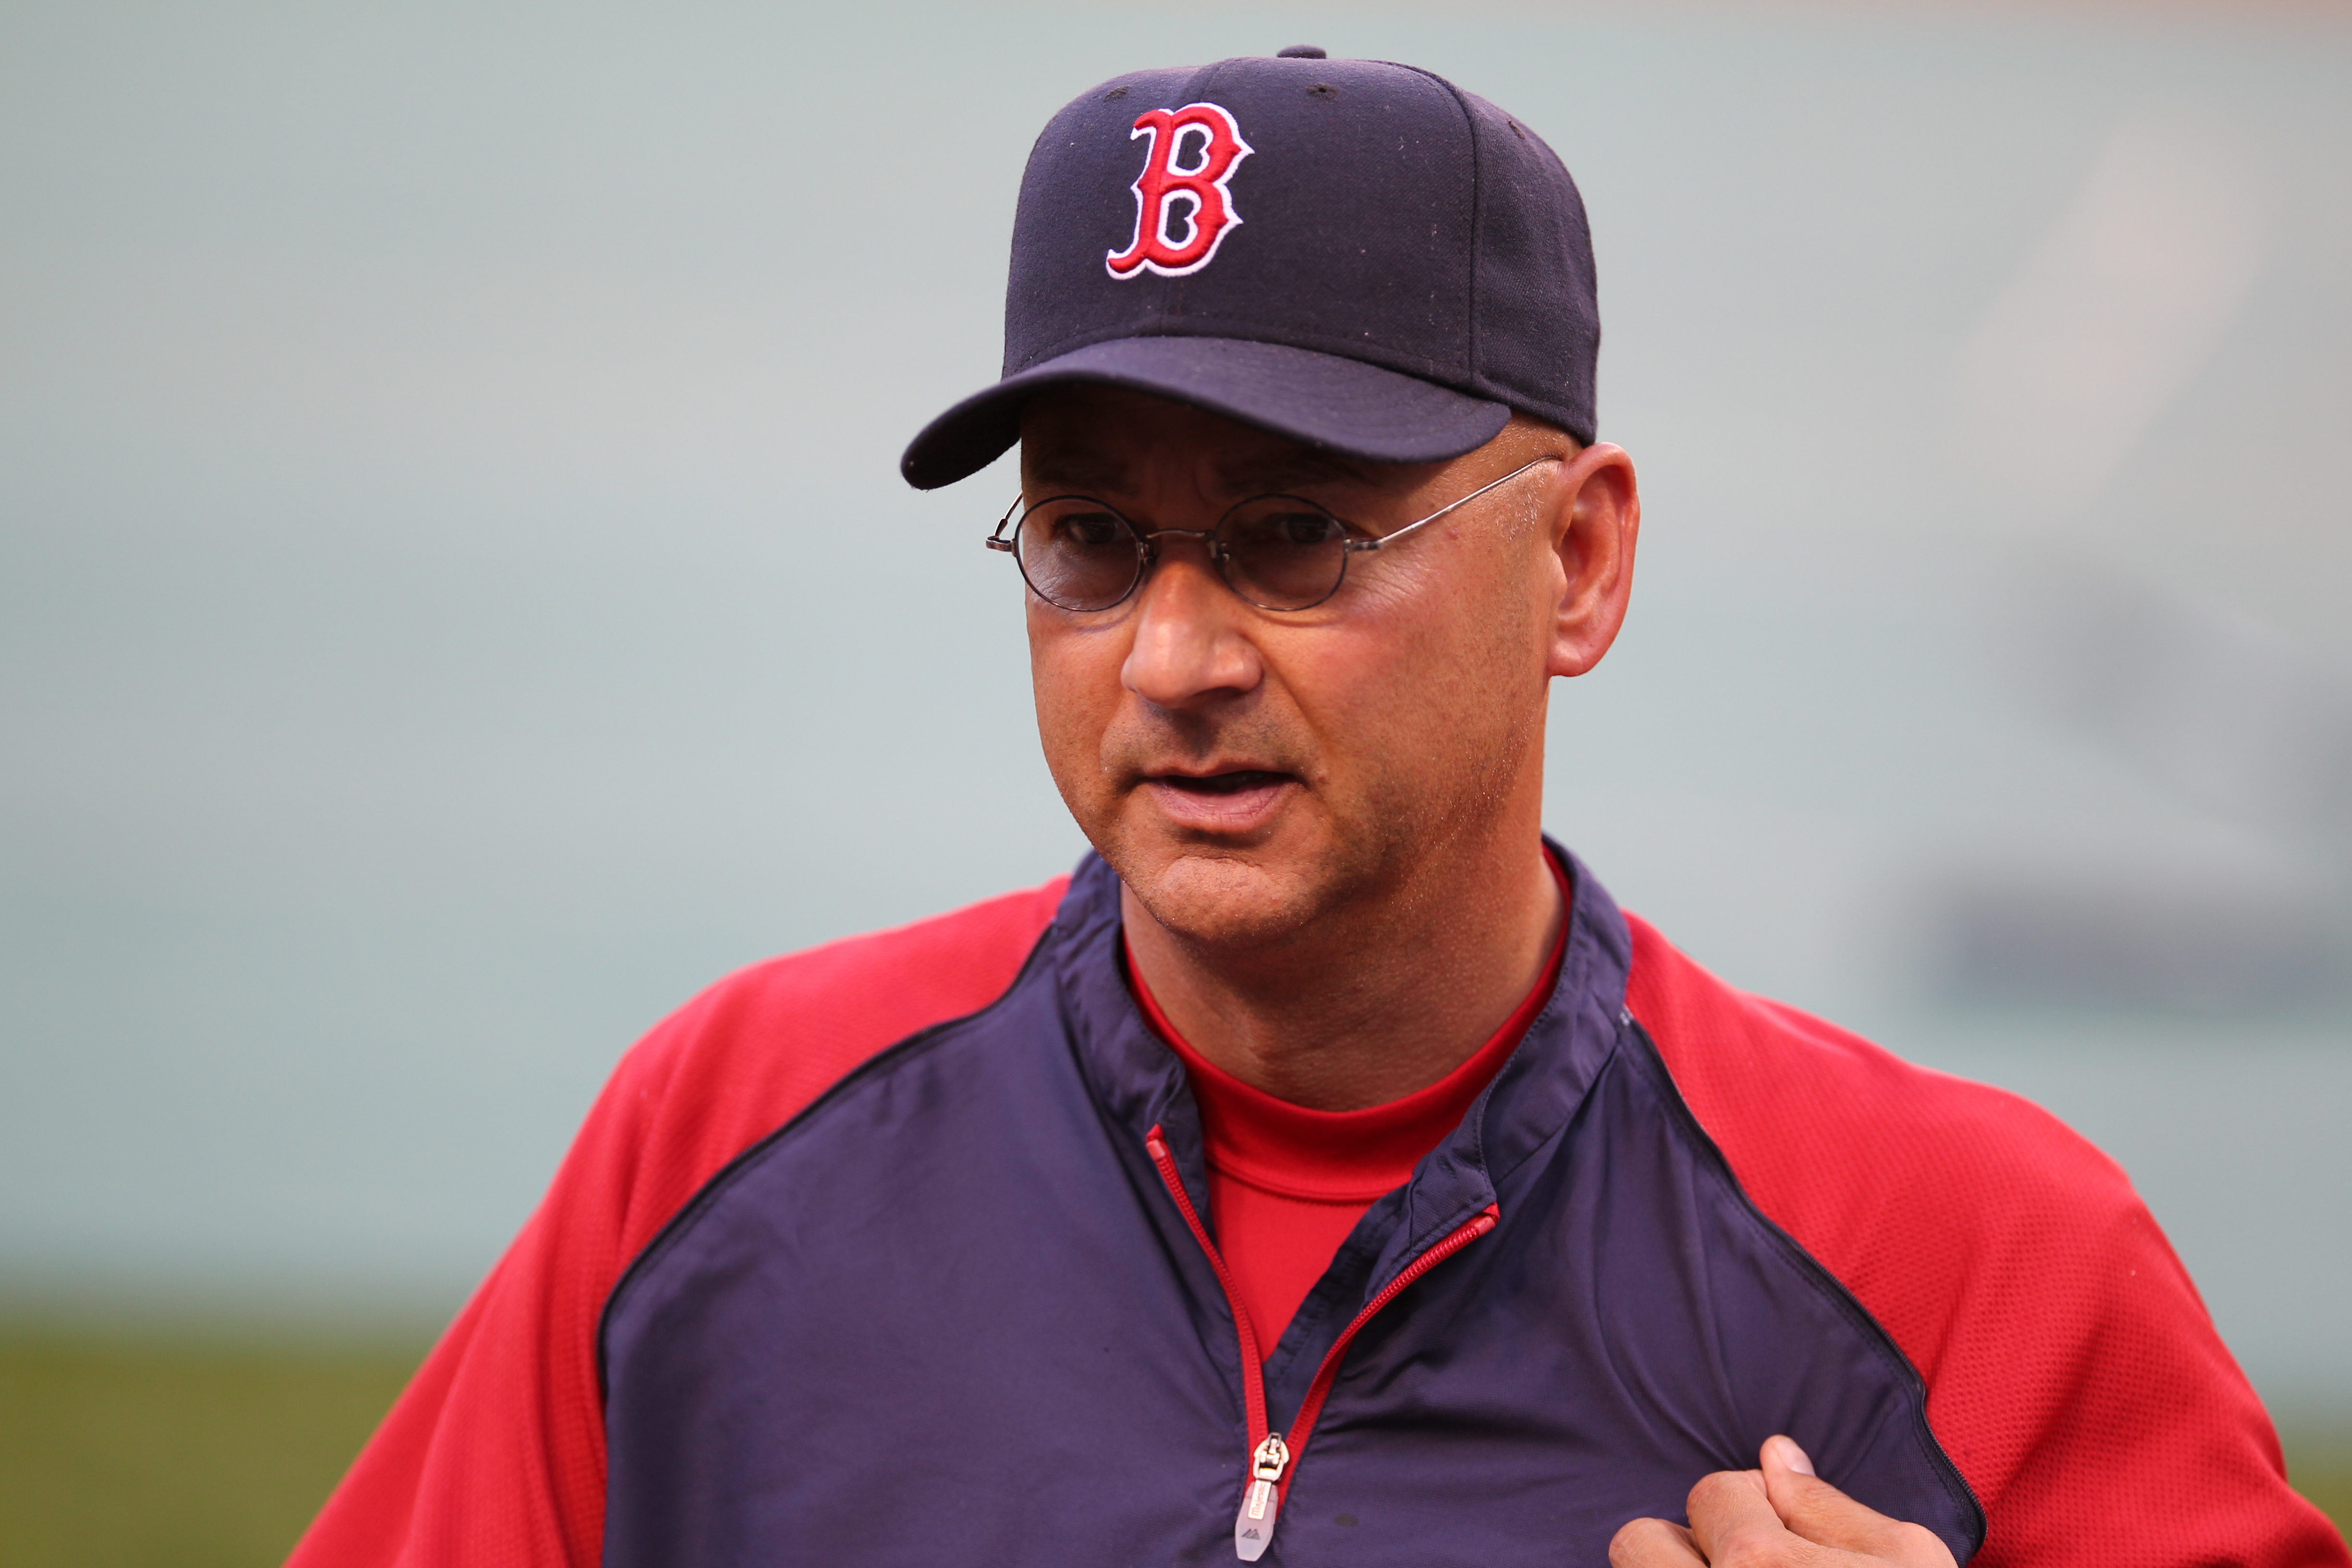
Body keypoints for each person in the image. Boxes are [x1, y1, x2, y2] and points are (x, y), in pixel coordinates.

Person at [290, 48, 2344, 1568]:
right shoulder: (730, 1140)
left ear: (1579, 564)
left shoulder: (1982, 1267)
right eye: (1093, 538)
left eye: (1297, 537)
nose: (1172, 654)